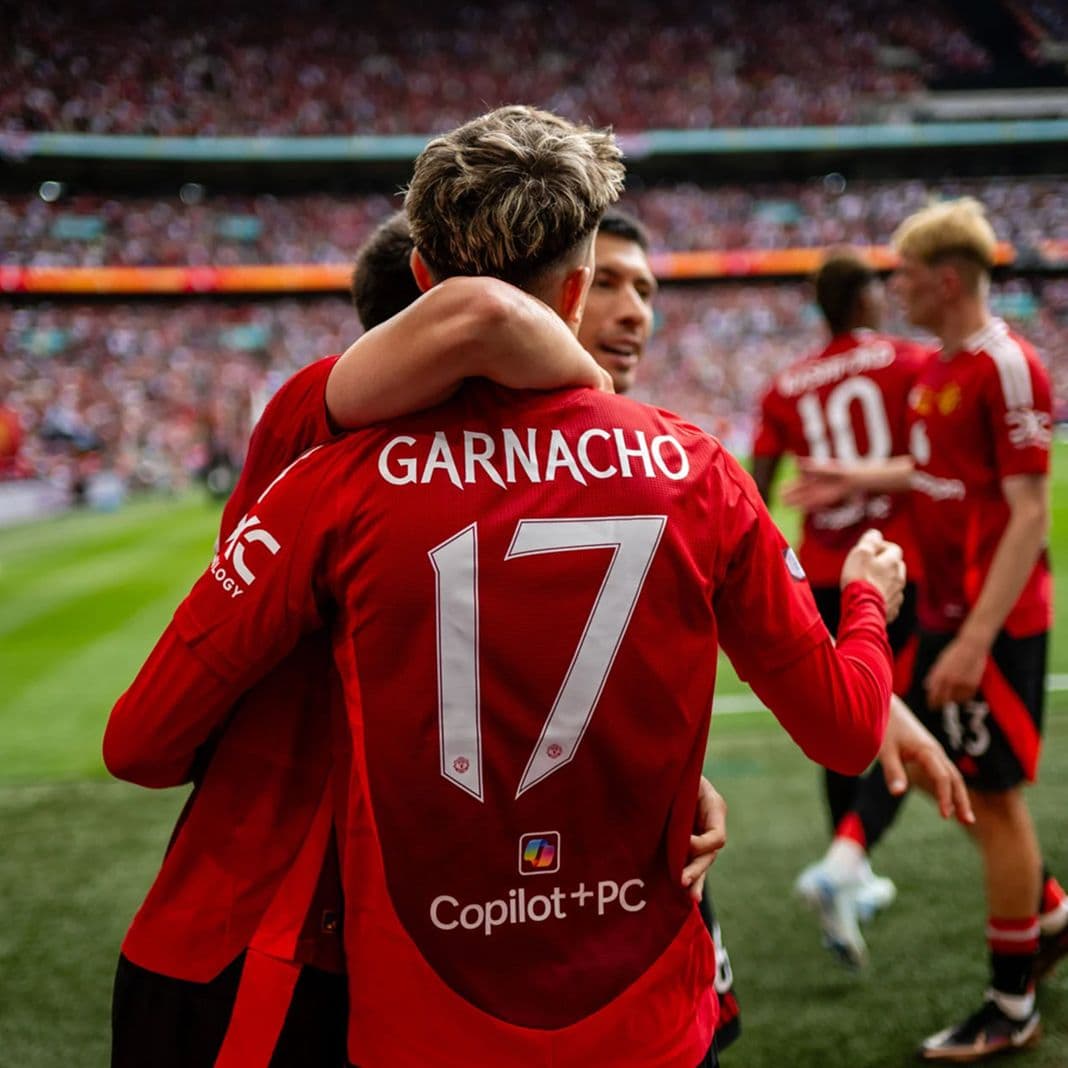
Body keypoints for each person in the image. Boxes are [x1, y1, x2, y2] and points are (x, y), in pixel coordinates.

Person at [105, 106, 967, 1068]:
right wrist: (862, 602)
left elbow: (140, 743)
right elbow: (837, 724)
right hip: (626, 995)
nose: (636, 311)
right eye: (617, 285)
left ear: (421, 276)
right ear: (578, 286)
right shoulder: (690, 467)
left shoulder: (328, 473)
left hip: (401, 998)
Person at [108, 211, 720, 1068]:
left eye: (643, 291)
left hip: (429, 948)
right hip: (277, 933)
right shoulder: (327, 427)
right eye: (591, 287)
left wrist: (659, 778)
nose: (621, 314)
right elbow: (481, 316)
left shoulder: (546, 476)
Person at [788, 198, 1067, 1061]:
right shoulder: (942, 368)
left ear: (946, 280)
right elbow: (933, 470)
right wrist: (844, 474)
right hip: (948, 616)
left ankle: (1010, 1007)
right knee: (959, 784)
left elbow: (1028, 516)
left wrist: (980, 638)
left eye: (904, 274)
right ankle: (1048, 915)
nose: (893, 288)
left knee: (992, 797)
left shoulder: (1005, 366)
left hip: (996, 621)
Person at [751, 249, 933, 967]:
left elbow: (759, 489)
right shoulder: (912, 363)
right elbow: (942, 465)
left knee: (845, 717)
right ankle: (844, 866)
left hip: (826, 575)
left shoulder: (785, 384)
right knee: (910, 716)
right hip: (898, 567)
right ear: (863, 298)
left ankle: (847, 868)